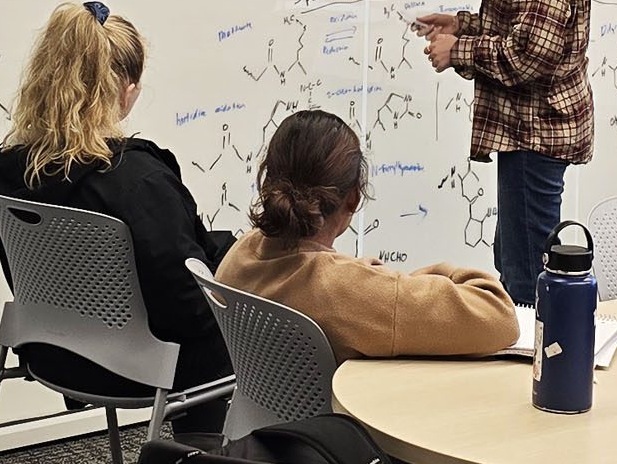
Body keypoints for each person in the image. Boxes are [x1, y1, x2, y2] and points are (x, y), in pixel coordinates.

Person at [0, 1, 232, 436]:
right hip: (138, 366)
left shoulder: (4, 178)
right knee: (238, 330)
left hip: (54, 353)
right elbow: (187, 307)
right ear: (125, 90)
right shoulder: (138, 182)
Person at [416, 0, 594, 303]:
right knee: (516, 260)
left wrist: (459, 52)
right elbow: (523, 23)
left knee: (528, 275)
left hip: (535, 130)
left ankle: (546, 374)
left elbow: (529, 56)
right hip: (528, 128)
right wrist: (462, 25)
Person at [217, 109, 517, 360]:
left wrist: (375, 280)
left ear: (269, 180)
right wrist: (426, 276)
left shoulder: (243, 251)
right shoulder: (355, 293)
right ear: (354, 198)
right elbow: (499, 316)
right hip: (344, 427)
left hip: (262, 421)